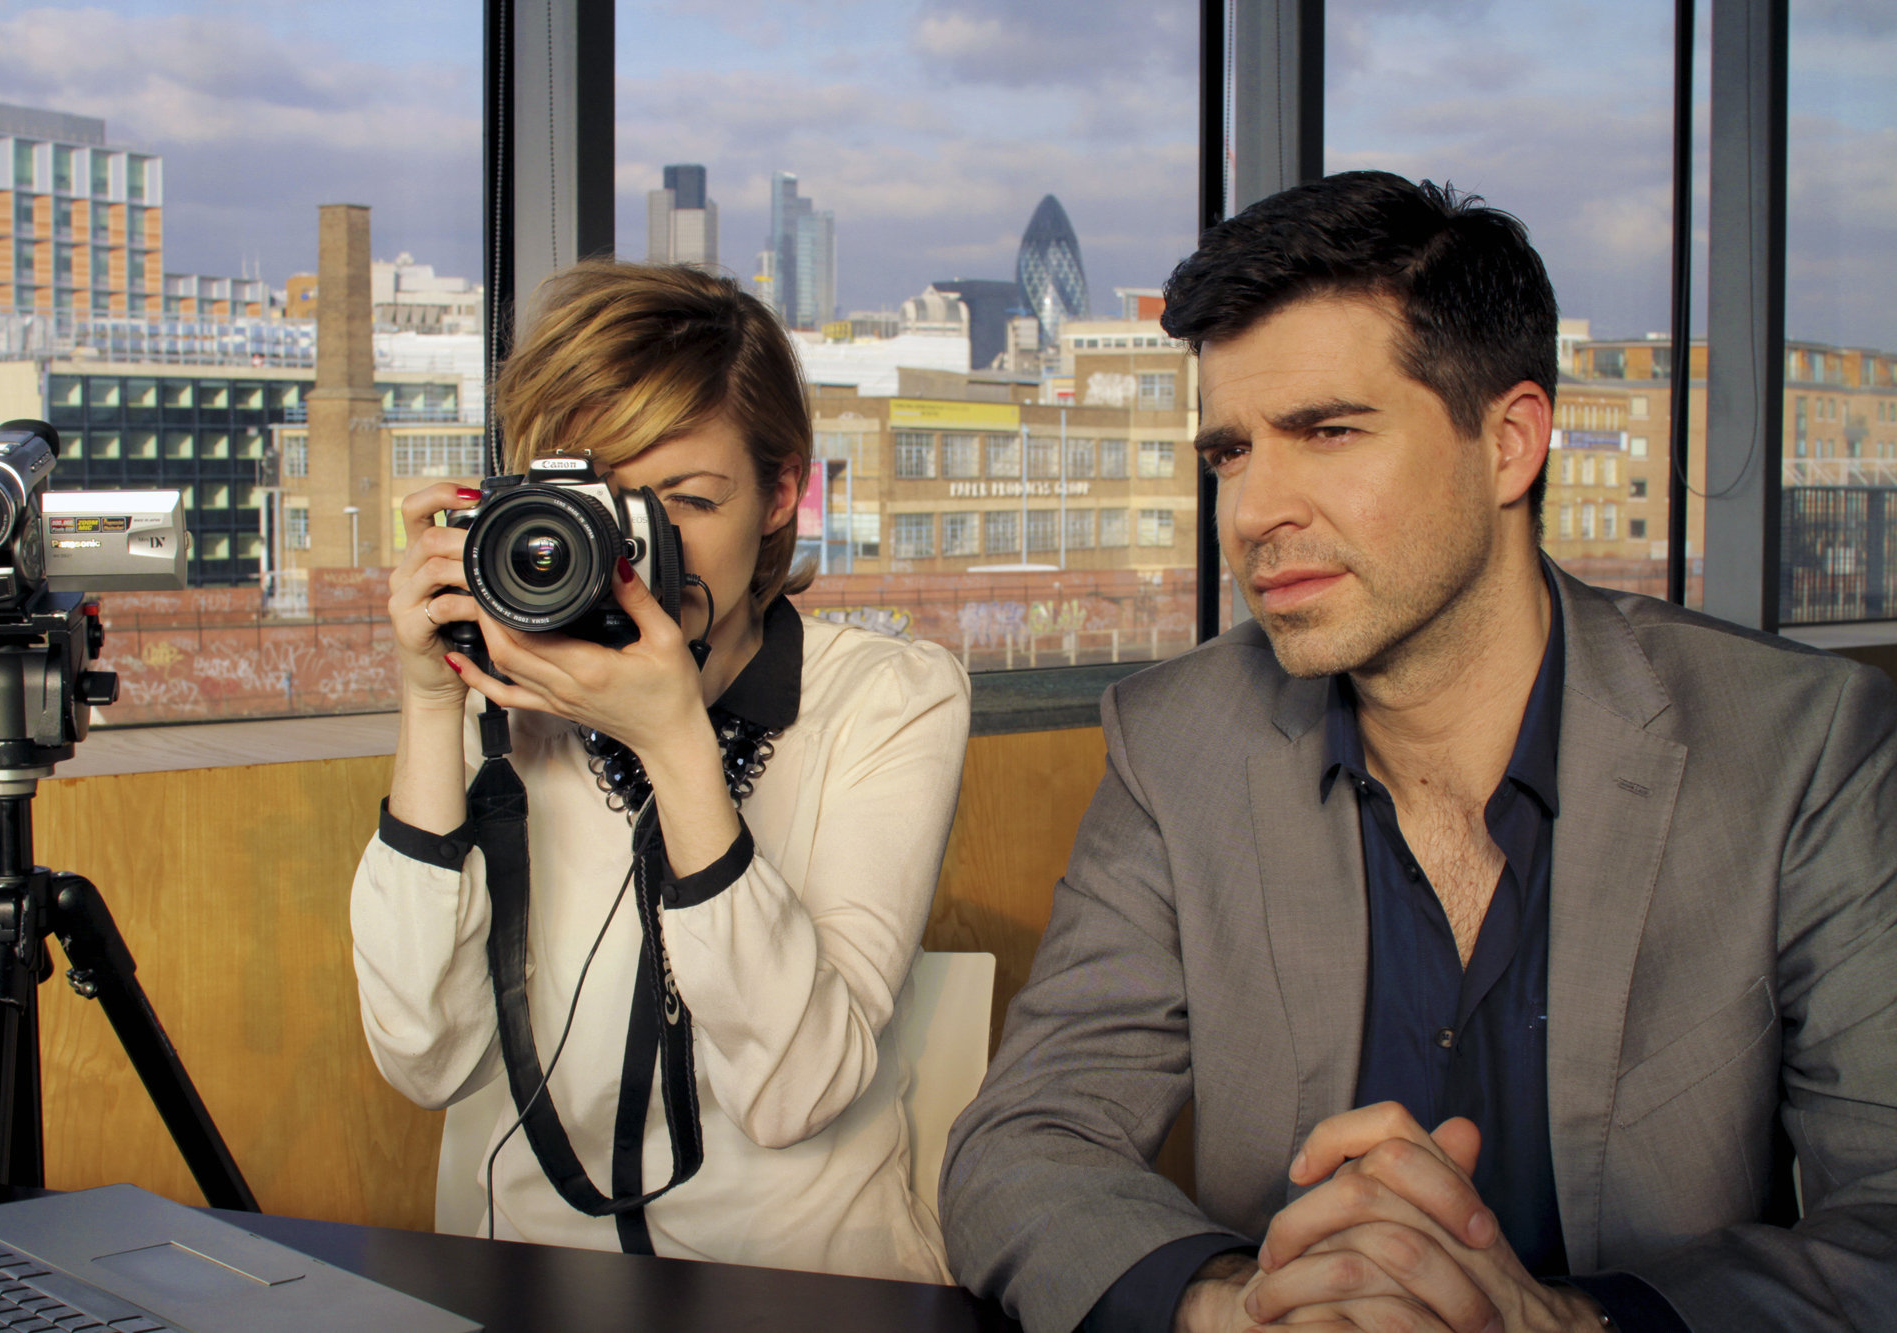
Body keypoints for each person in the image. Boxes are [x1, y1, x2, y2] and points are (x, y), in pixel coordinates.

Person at [939, 171, 1897, 1333]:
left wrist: (1569, 1326)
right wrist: (1230, 1308)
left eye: (1327, 431)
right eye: (1229, 452)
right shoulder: (1173, 742)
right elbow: (1025, 1140)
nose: (1251, 511)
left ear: (1507, 444)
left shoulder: (1798, 745)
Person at [350, 260, 970, 1283]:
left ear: (780, 492)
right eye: (600, 505)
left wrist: (675, 745)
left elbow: (793, 1091)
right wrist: (429, 701)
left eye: (684, 500)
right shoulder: (503, 696)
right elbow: (423, 1058)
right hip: (534, 1278)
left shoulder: (889, 698)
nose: (637, 553)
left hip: (805, 1288)